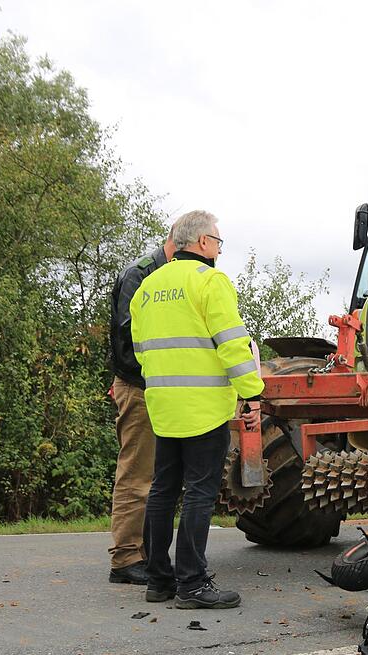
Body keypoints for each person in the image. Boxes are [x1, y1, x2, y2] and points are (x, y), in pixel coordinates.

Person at [130, 210, 264, 609]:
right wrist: (251, 394)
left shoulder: (147, 287)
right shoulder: (211, 281)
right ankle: (191, 584)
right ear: (203, 243)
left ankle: (158, 580)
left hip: (164, 407)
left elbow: (140, 350)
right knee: (199, 494)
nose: (220, 249)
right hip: (204, 408)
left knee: (162, 490)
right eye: (218, 241)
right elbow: (232, 344)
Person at [106, 228, 176, 585]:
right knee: (136, 473)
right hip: (139, 387)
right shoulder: (140, 274)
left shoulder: (162, 273)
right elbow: (127, 339)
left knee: (155, 475)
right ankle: (125, 557)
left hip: (156, 387)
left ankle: (144, 552)